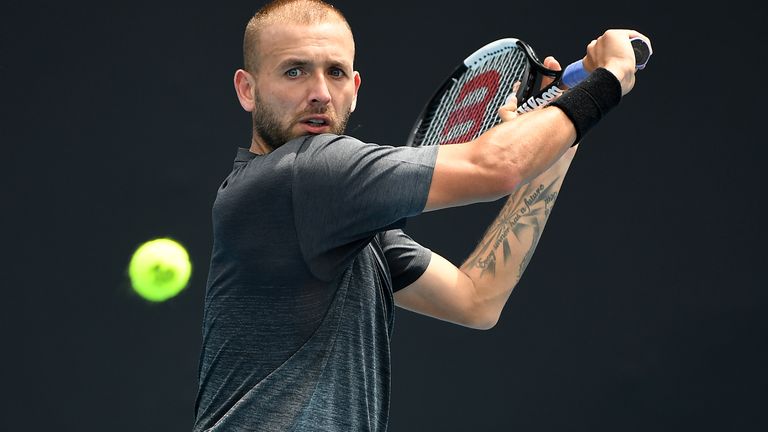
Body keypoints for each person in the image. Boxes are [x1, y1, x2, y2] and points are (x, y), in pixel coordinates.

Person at [192, 0, 650, 430]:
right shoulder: (308, 173)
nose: (319, 93)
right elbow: (496, 166)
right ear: (247, 90)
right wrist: (607, 80)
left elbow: (477, 300)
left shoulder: (342, 224)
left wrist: (562, 136)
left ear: (354, 89)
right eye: (294, 71)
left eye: (335, 73)